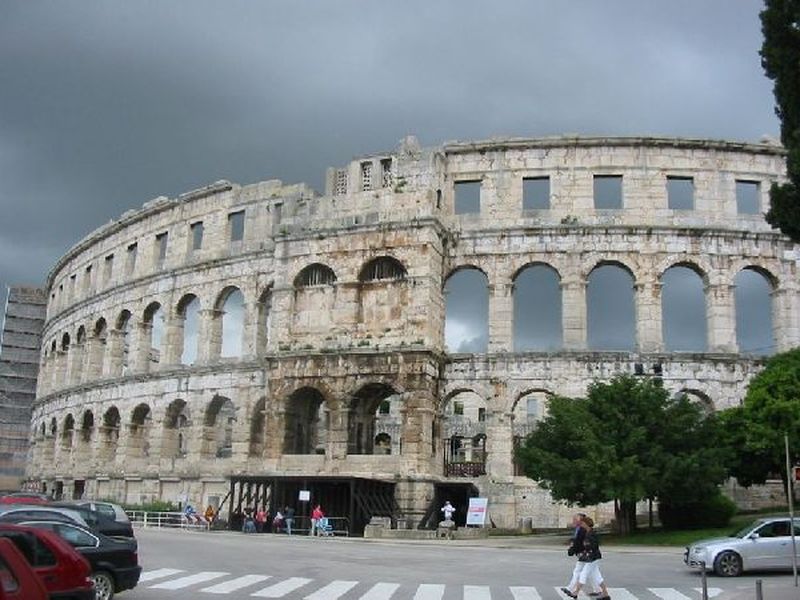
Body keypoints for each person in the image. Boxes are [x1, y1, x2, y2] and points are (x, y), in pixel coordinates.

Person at [561, 516, 610, 600]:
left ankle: (575, 592)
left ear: (586, 524)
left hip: (593, 558)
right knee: (597, 577)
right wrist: (585, 550)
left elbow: (594, 545)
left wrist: (587, 547)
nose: (582, 524)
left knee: (583, 574)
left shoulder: (591, 533)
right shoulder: (588, 532)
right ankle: (605, 594)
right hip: (591, 557)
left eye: (583, 523)